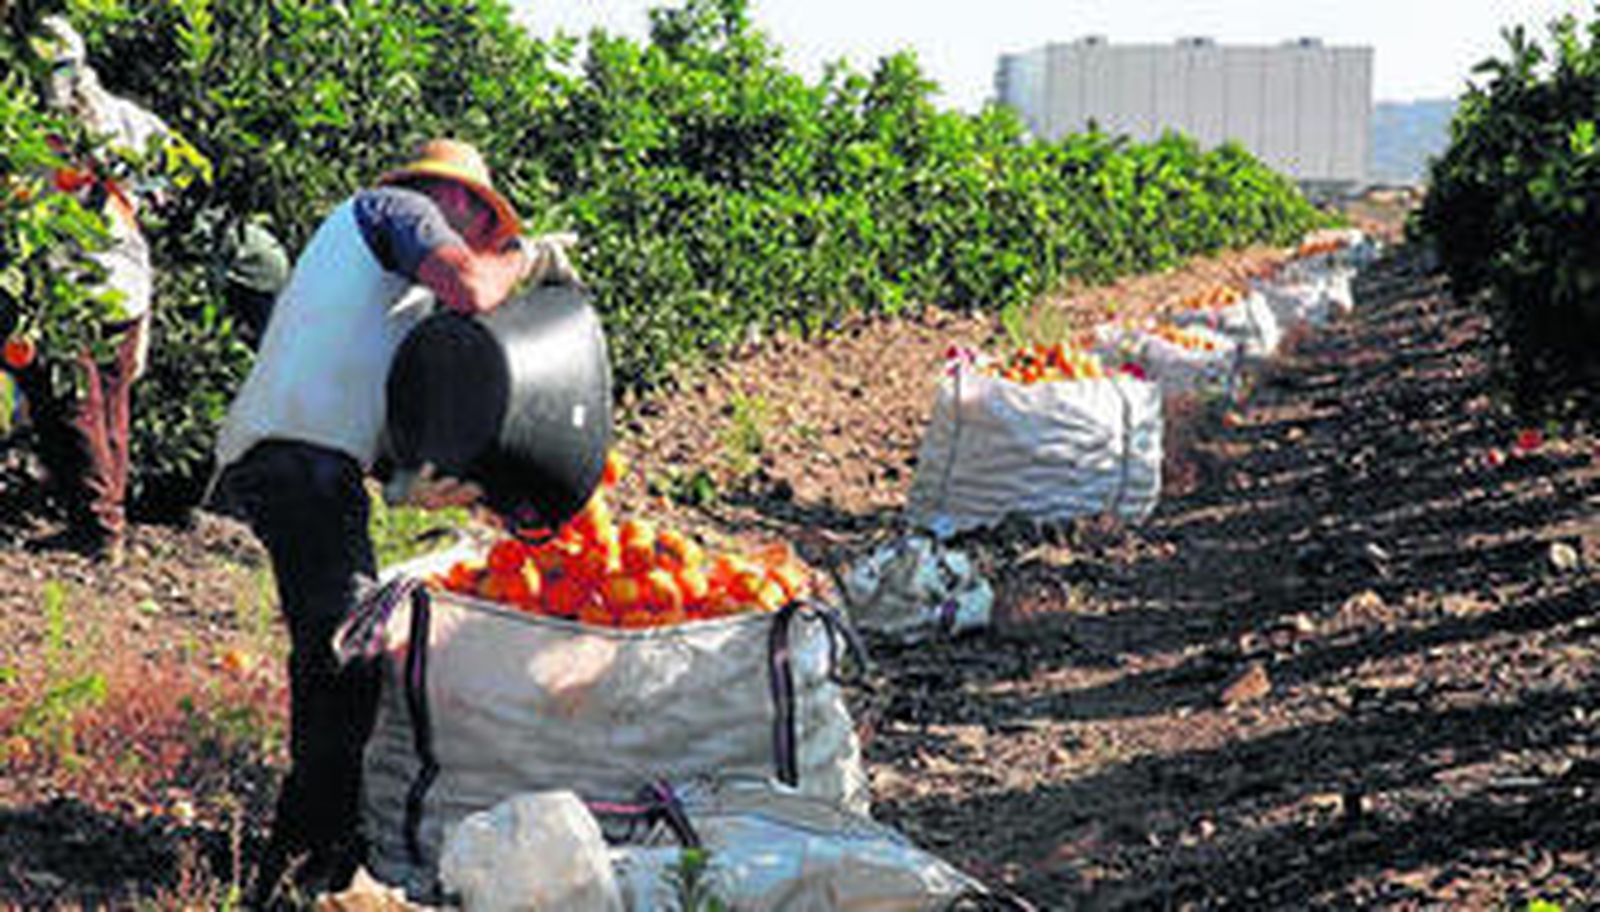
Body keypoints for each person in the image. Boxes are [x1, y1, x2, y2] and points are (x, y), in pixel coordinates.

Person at [208, 137, 579, 903]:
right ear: (456, 199)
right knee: (349, 654)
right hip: (296, 458)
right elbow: (474, 289)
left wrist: (425, 479)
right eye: (478, 217)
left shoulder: (385, 281)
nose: (476, 232)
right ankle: (303, 867)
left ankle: (314, 852)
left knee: (337, 650)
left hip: (307, 461)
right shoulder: (394, 209)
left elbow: (385, 396)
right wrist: (526, 259)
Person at [17, 15, 187, 565]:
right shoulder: (121, 119)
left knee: (72, 406)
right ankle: (106, 522)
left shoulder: (29, 135)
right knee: (109, 403)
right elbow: (172, 175)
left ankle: (96, 530)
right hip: (124, 276)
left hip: (68, 285)